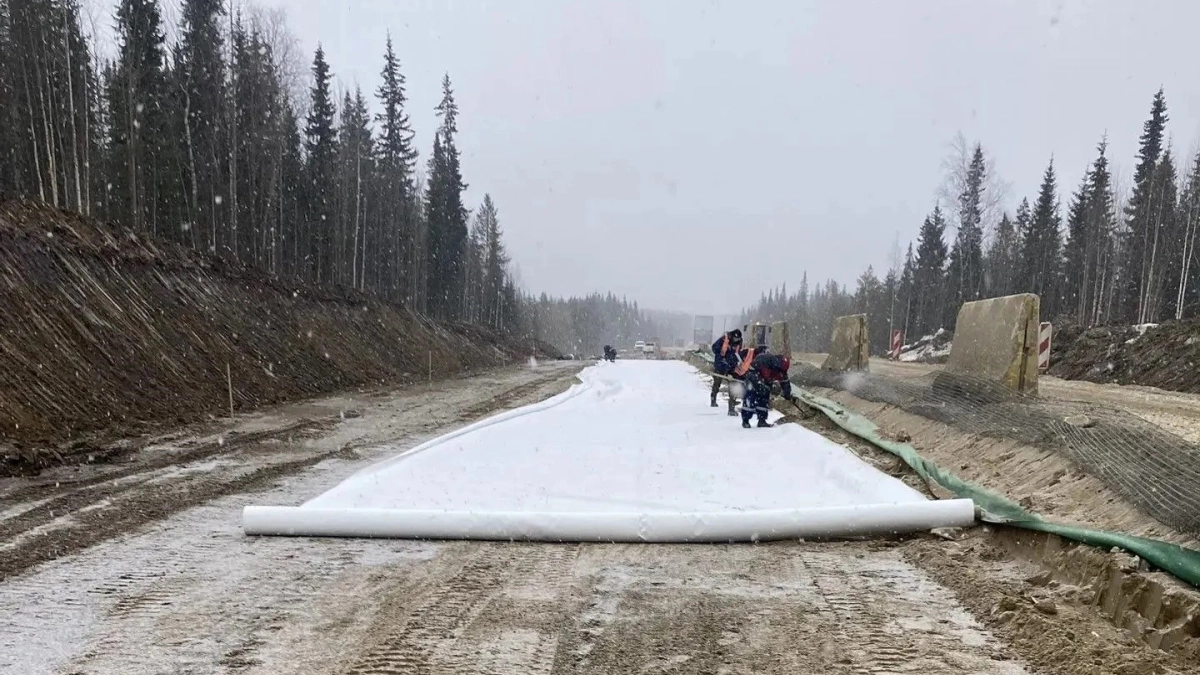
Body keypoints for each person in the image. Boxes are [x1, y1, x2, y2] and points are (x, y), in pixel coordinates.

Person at [740, 349, 795, 429]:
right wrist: (761, 383)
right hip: (753, 379)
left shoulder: (781, 370)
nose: (781, 372)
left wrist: (787, 394)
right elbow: (752, 373)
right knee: (750, 399)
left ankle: (762, 420)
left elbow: (785, 381)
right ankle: (746, 421)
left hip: (765, 381)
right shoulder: (764, 361)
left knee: (764, 400)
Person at [710, 329, 743, 415]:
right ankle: (713, 399)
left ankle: (731, 407)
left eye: (738, 339)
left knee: (733, 385)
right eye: (735, 339)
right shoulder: (724, 339)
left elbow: (738, 353)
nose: (736, 341)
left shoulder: (739, 343)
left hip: (731, 366)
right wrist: (721, 355)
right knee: (717, 382)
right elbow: (714, 348)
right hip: (720, 364)